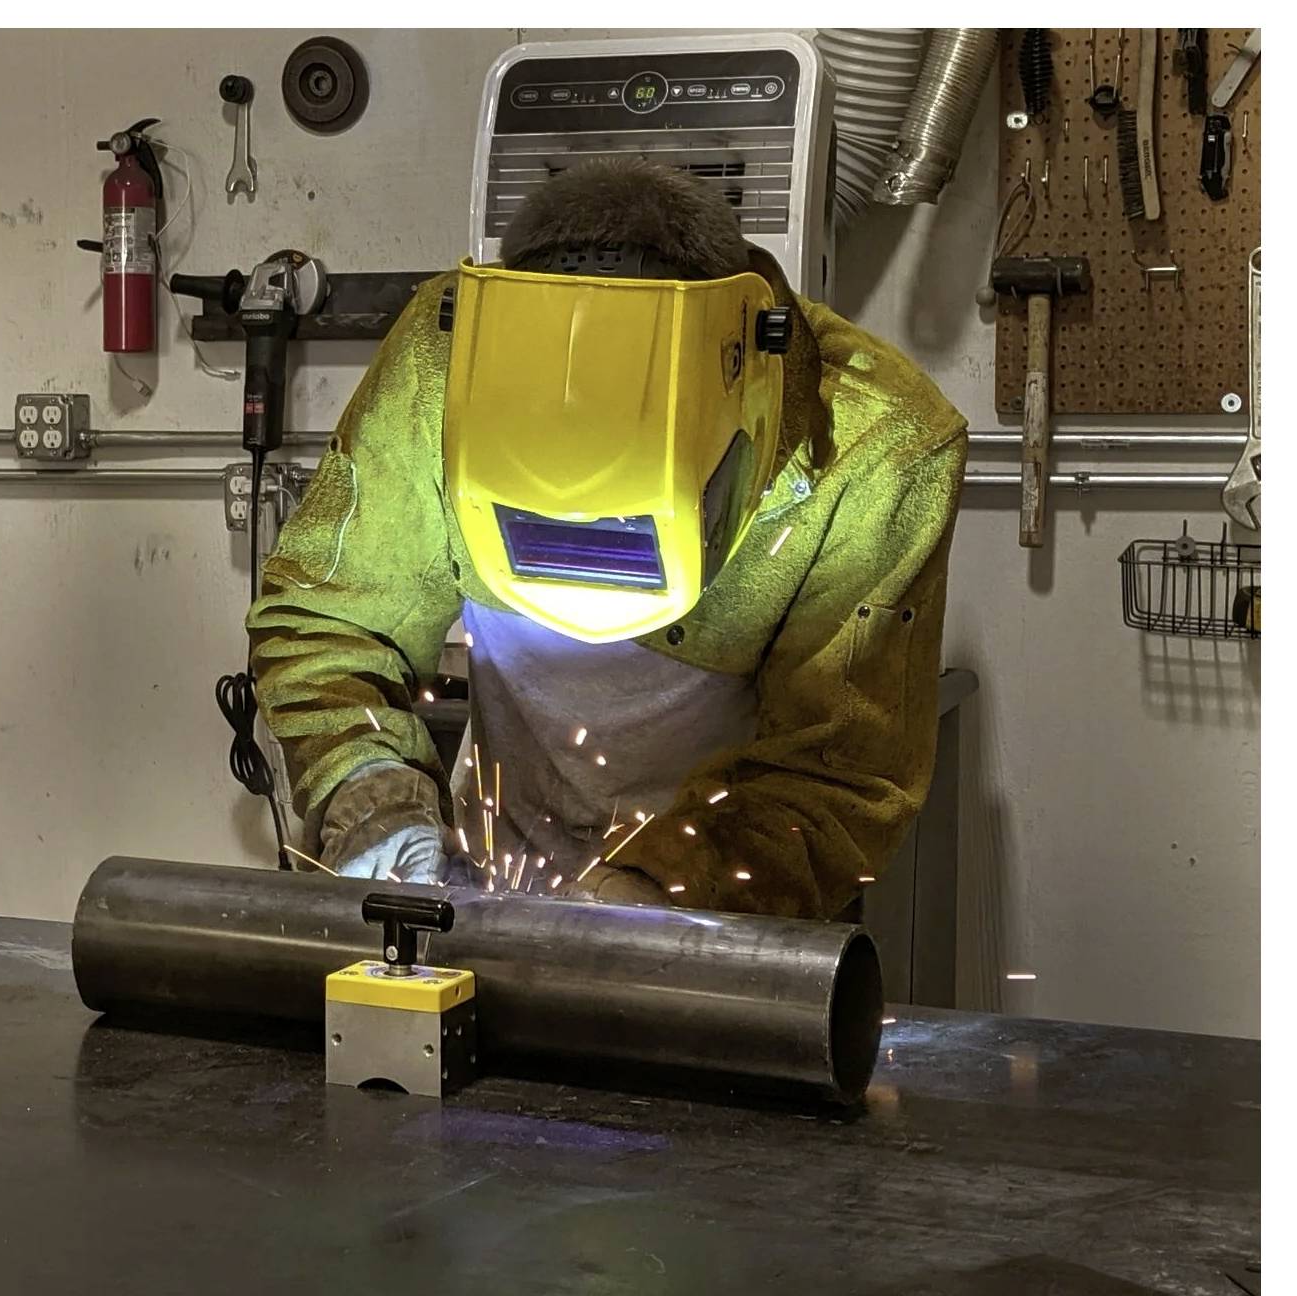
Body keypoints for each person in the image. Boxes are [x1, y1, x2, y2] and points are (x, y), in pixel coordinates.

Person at [246, 159, 966, 920]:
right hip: (490, 872)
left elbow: (835, 771)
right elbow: (330, 626)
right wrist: (369, 792)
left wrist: (665, 883)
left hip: (726, 907)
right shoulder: (443, 355)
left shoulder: (876, 442)